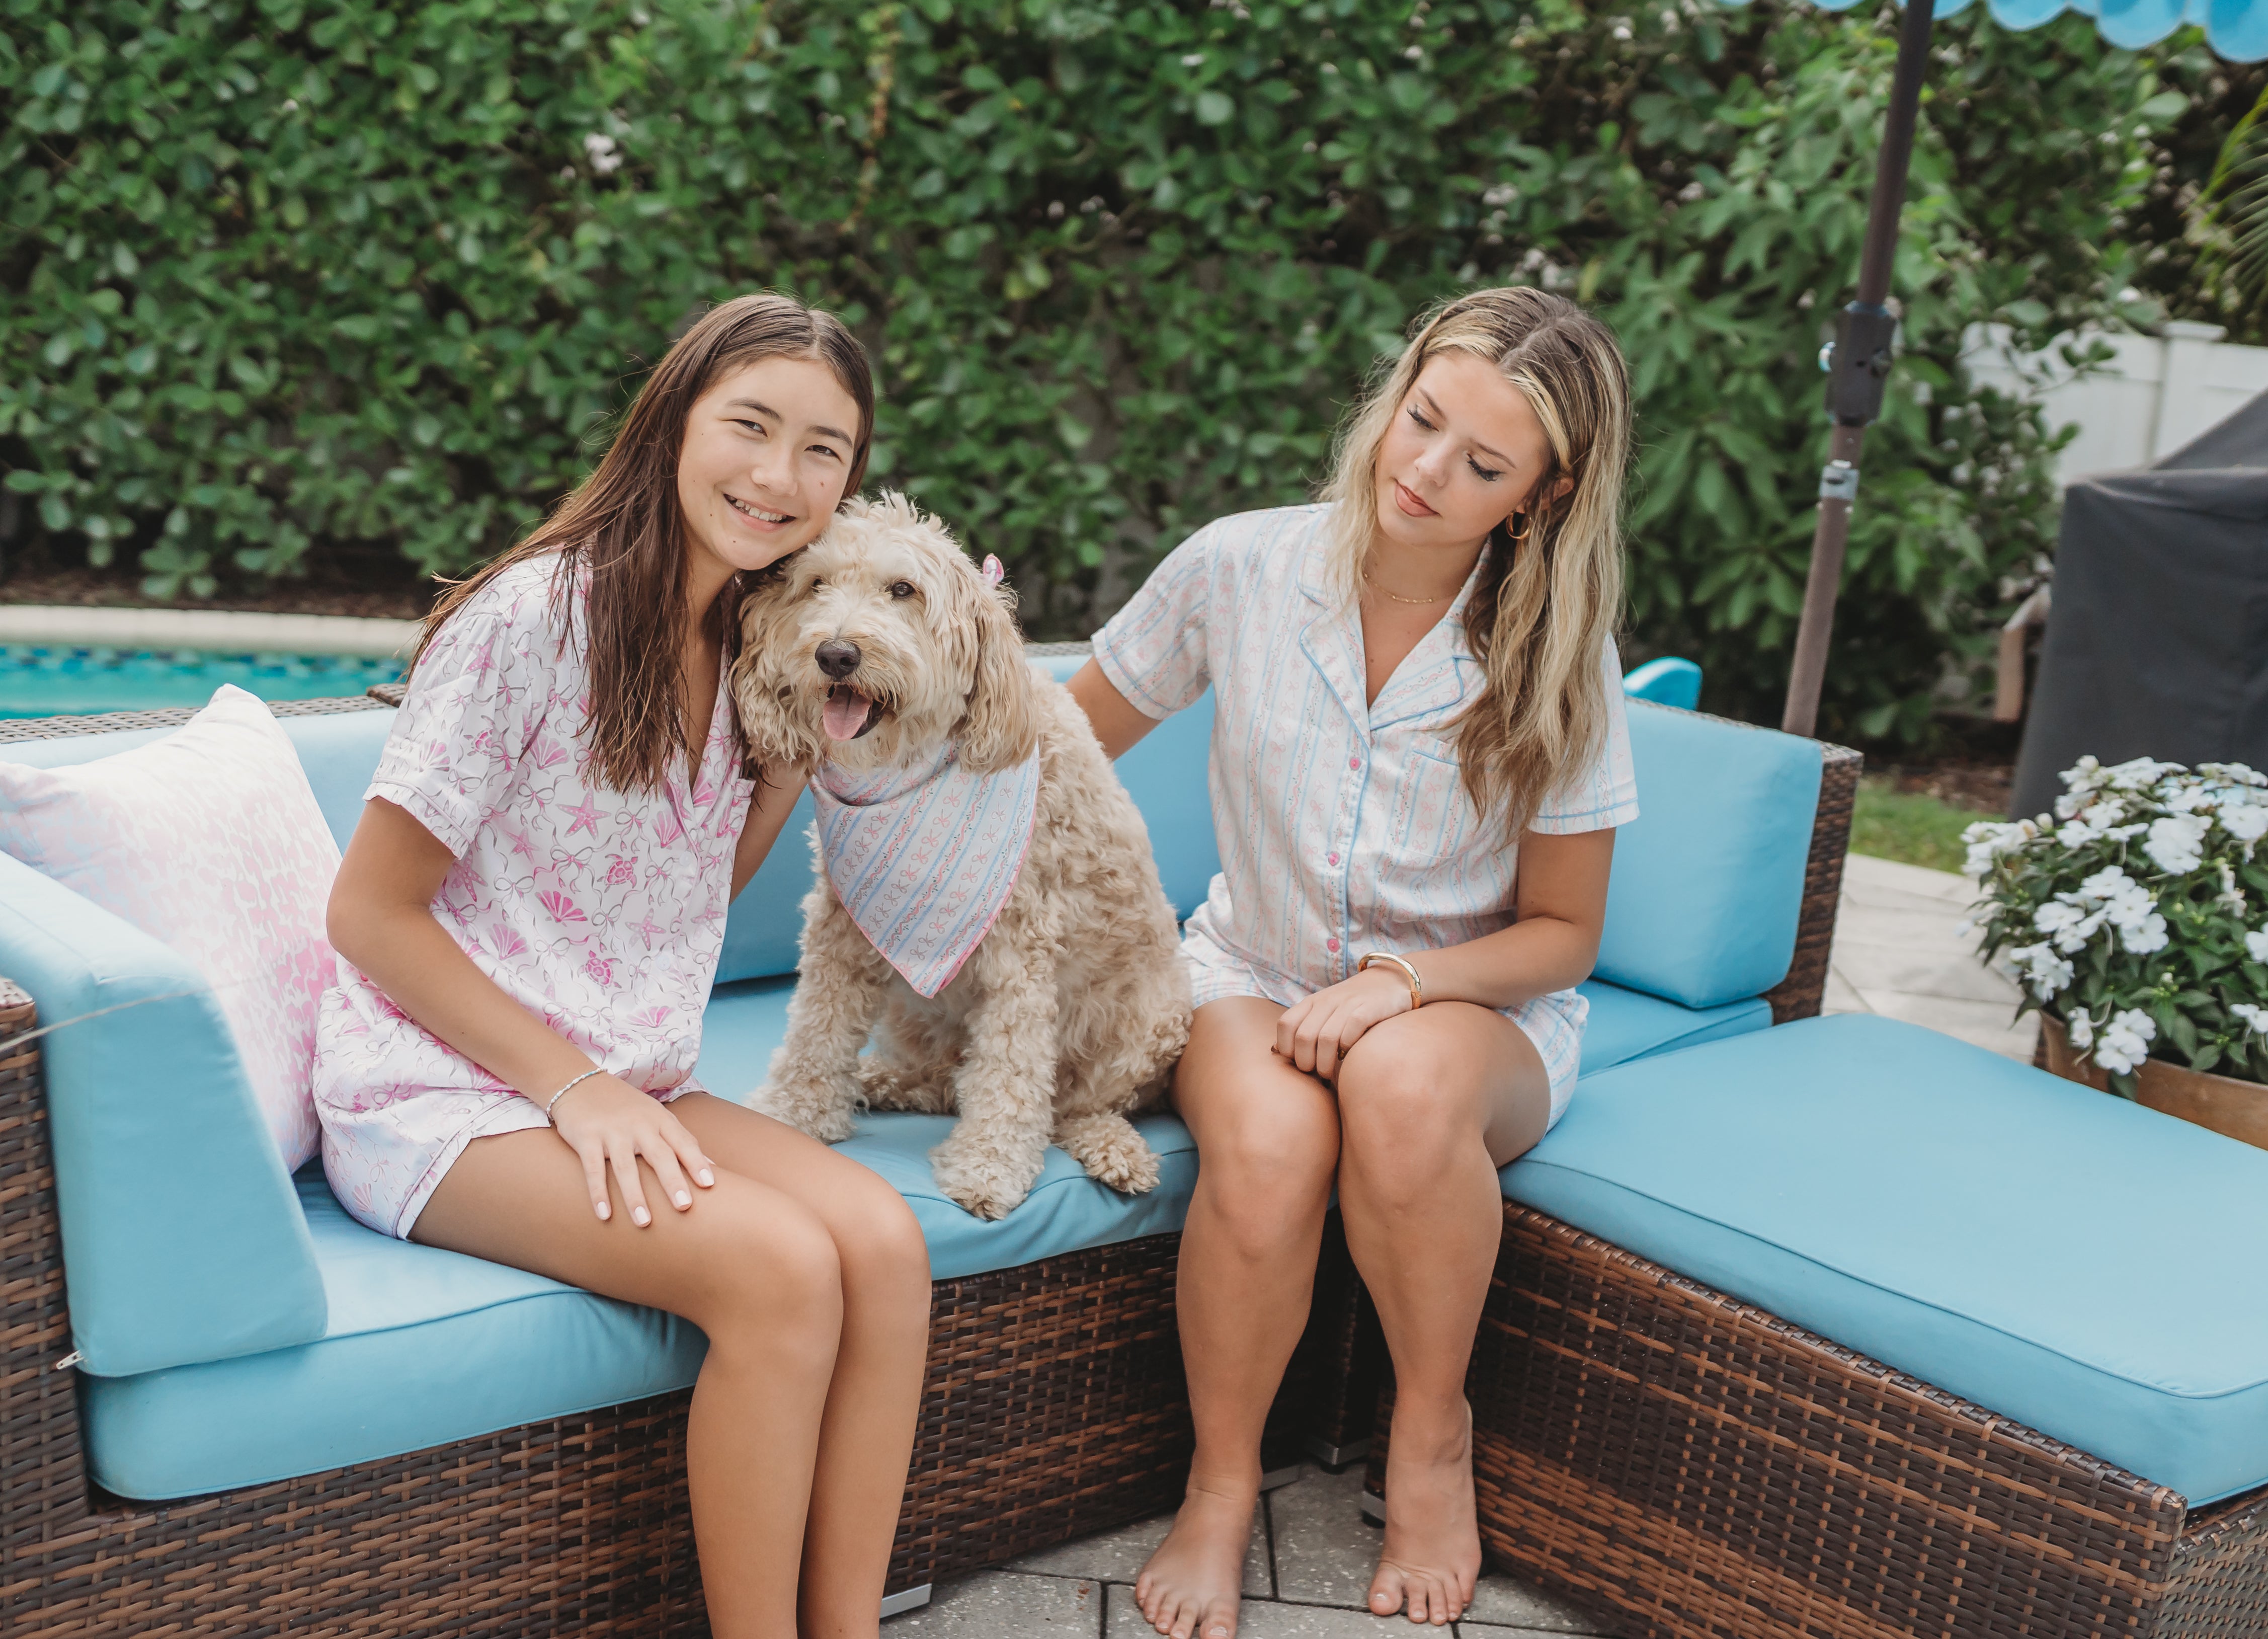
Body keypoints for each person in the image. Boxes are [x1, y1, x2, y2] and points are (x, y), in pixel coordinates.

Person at [317, 293, 932, 1639]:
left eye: (823, 450)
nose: (779, 476)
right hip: (441, 1087)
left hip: (622, 1078)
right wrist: (576, 1085)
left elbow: (676, 898)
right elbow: (368, 915)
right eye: (750, 426)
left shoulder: (757, 637)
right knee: (781, 1268)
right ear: (673, 423)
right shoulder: (535, 615)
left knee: (886, 1245)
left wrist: (797, 750)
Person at [1069, 286, 1639, 1636]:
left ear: (1545, 495)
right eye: (1420, 419)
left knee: (1394, 1083)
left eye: (1483, 465)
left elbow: (1564, 936)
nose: (1425, 470)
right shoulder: (1239, 567)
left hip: (1469, 1014)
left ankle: (1429, 1435)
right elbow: (1054, 749)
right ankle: (1221, 1487)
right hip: (1253, 970)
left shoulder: (1560, 658)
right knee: (1269, 1148)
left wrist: (1401, 986)